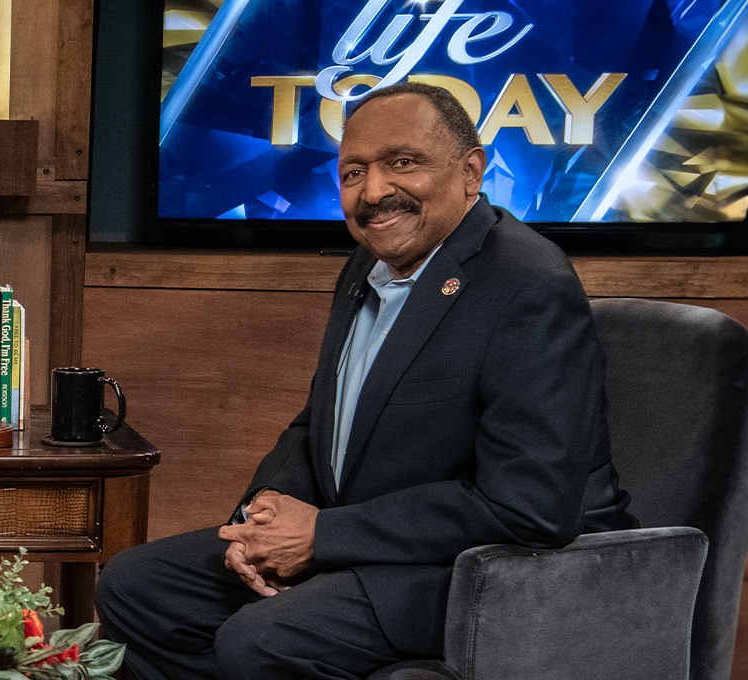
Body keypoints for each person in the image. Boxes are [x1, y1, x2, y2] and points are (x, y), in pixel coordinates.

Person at [93, 82, 638, 678]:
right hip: (380, 543)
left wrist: (323, 535)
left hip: (491, 571)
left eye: (403, 163)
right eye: (354, 172)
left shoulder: (529, 283)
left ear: (471, 172)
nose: (374, 192)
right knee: (136, 585)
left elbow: (528, 508)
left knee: (263, 639)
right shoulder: (370, 264)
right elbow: (323, 423)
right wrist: (263, 517)